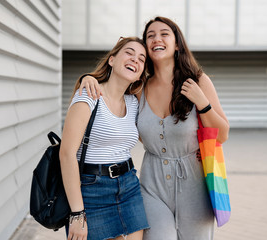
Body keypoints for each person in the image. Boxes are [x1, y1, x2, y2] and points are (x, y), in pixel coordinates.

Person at [80, 16, 229, 240]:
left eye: (164, 34)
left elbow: (223, 134)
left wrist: (202, 103)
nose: (156, 39)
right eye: (150, 36)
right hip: (152, 186)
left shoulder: (198, 80)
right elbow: (112, 85)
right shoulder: (139, 87)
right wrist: (87, 78)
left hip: (195, 186)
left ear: (177, 44)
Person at [59, 37, 149, 240]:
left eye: (142, 59)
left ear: (140, 73)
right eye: (129, 52)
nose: (135, 59)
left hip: (128, 185)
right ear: (111, 60)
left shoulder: (134, 102)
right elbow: (66, 154)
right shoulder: (88, 96)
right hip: (92, 190)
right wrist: (77, 213)